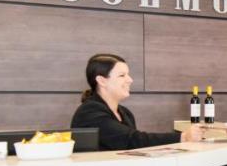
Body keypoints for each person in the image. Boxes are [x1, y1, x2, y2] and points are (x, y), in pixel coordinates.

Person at [71, 53, 202, 149]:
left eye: (128, 74)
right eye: (122, 75)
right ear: (102, 81)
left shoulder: (125, 113)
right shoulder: (89, 112)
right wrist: (183, 137)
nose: (130, 80)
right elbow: (132, 140)